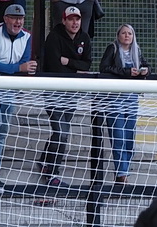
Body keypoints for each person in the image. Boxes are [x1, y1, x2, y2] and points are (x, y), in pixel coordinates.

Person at [0, 3, 37, 192]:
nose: (18, 22)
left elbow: (25, 64)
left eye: (21, 18)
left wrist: (17, 69)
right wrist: (16, 69)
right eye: (14, 18)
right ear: (5, 19)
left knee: (3, 130)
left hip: (11, 89)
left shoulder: (28, 36)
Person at [39, 6, 92, 187]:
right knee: (61, 132)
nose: (75, 22)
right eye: (71, 19)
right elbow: (55, 66)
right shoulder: (53, 37)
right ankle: (53, 172)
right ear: (64, 21)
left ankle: (43, 161)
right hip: (53, 92)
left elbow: (87, 65)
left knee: (61, 131)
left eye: (77, 19)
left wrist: (68, 61)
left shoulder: (84, 38)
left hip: (72, 92)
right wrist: (75, 69)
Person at [99, 24, 149, 183]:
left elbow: (147, 66)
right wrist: (127, 72)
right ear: (118, 35)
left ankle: (125, 170)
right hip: (115, 100)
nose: (127, 36)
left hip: (132, 99)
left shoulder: (137, 51)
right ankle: (121, 174)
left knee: (129, 137)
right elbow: (104, 68)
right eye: (123, 33)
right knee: (118, 136)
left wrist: (145, 70)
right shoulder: (112, 48)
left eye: (130, 33)